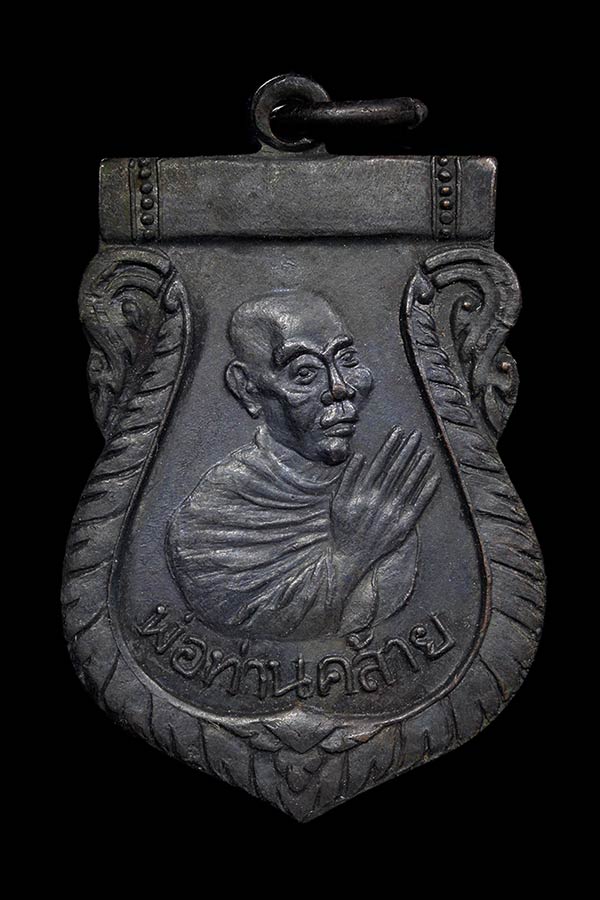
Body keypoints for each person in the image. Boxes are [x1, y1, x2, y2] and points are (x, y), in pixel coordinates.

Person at [167, 290, 439, 640]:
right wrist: (352, 556)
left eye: (347, 360)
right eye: (305, 373)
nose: (340, 387)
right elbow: (263, 628)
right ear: (247, 388)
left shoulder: (378, 500)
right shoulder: (208, 521)